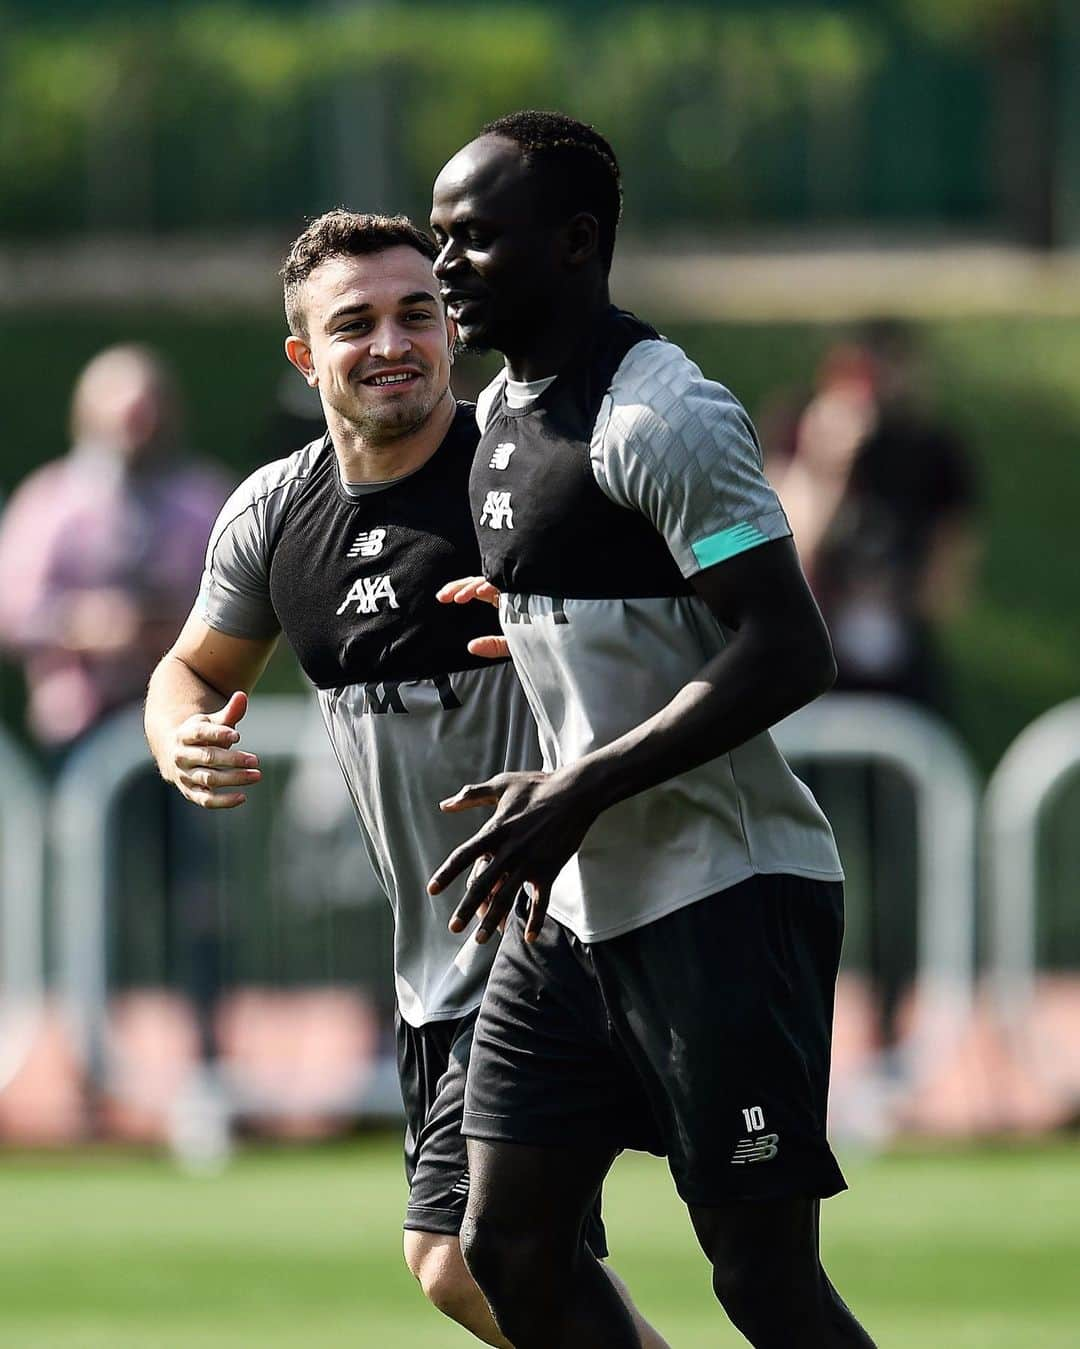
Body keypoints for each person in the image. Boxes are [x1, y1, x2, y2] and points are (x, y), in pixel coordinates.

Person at [143, 211, 666, 1348]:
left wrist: (572, 633)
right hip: (440, 968)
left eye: (416, 313)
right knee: (524, 1264)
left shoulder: (532, 468)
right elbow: (189, 665)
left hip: (565, 935)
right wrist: (178, 730)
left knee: (461, 1254)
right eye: (356, 323)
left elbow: (709, 632)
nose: (393, 342)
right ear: (305, 355)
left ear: (451, 328)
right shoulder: (275, 513)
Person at [428, 112, 877, 1347]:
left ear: (577, 243)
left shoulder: (666, 413)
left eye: (477, 238)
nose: (446, 265)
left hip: (723, 893)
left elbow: (789, 646)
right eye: (438, 238)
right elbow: (623, 624)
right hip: (574, 911)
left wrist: (580, 788)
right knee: (505, 1245)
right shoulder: (503, 422)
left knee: (760, 1275)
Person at [0, 345, 228, 752]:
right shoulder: (49, 503)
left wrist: (176, 629)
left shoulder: (202, 503)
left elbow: (244, 600)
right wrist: (81, 625)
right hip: (77, 721)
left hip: (183, 717)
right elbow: (12, 609)